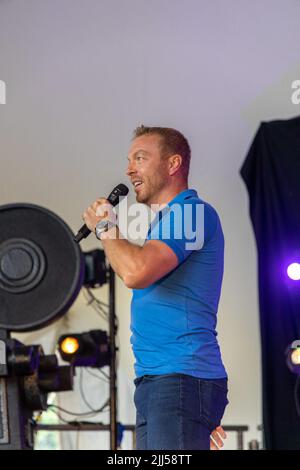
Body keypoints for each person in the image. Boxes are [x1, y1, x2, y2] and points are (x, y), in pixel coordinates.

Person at [82, 125, 228, 450]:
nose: (129, 168)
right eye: (129, 159)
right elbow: (137, 262)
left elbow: (136, 271)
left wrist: (106, 226)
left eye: (140, 158)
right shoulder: (163, 224)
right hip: (162, 382)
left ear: (173, 164)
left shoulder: (193, 213)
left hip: (180, 378)